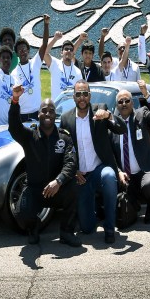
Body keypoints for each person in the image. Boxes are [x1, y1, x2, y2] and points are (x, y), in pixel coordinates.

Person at [8, 86, 81, 247]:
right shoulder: (29, 136)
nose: (47, 113)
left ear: (55, 115)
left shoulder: (64, 137)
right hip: (35, 190)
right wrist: (15, 101)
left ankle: (67, 233)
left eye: (51, 111)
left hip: (57, 189)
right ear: (38, 114)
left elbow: (71, 162)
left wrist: (59, 181)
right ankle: (33, 229)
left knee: (74, 187)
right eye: (44, 110)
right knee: (22, 212)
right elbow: (14, 127)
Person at [60, 80, 127, 244]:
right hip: (81, 178)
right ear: (73, 97)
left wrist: (109, 115)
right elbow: (62, 150)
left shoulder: (100, 110)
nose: (82, 97)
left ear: (89, 95)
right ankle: (95, 211)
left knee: (110, 176)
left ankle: (109, 228)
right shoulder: (66, 118)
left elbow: (122, 129)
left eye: (85, 94)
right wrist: (73, 171)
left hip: (99, 170)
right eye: (78, 94)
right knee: (87, 228)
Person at [111, 80, 150, 224]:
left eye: (127, 100)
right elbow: (110, 154)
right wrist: (118, 172)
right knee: (127, 215)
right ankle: (133, 205)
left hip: (144, 171)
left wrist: (146, 94)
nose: (124, 104)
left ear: (132, 103)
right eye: (120, 101)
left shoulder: (141, 115)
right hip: (125, 177)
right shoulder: (113, 125)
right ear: (117, 106)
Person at [11, 16, 49, 120]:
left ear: (28, 51)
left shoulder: (35, 62)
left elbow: (44, 44)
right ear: (17, 54)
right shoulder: (14, 73)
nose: (22, 52)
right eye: (20, 50)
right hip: (22, 113)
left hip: (37, 112)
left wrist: (46, 24)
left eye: (24, 49)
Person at [44, 30, 83, 97]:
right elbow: (44, 53)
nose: (68, 51)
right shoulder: (55, 64)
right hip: (56, 106)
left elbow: (80, 91)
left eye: (71, 50)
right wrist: (55, 39)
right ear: (61, 52)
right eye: (66, 49)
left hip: (71, 106)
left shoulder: (78, 71)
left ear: (73, 53)